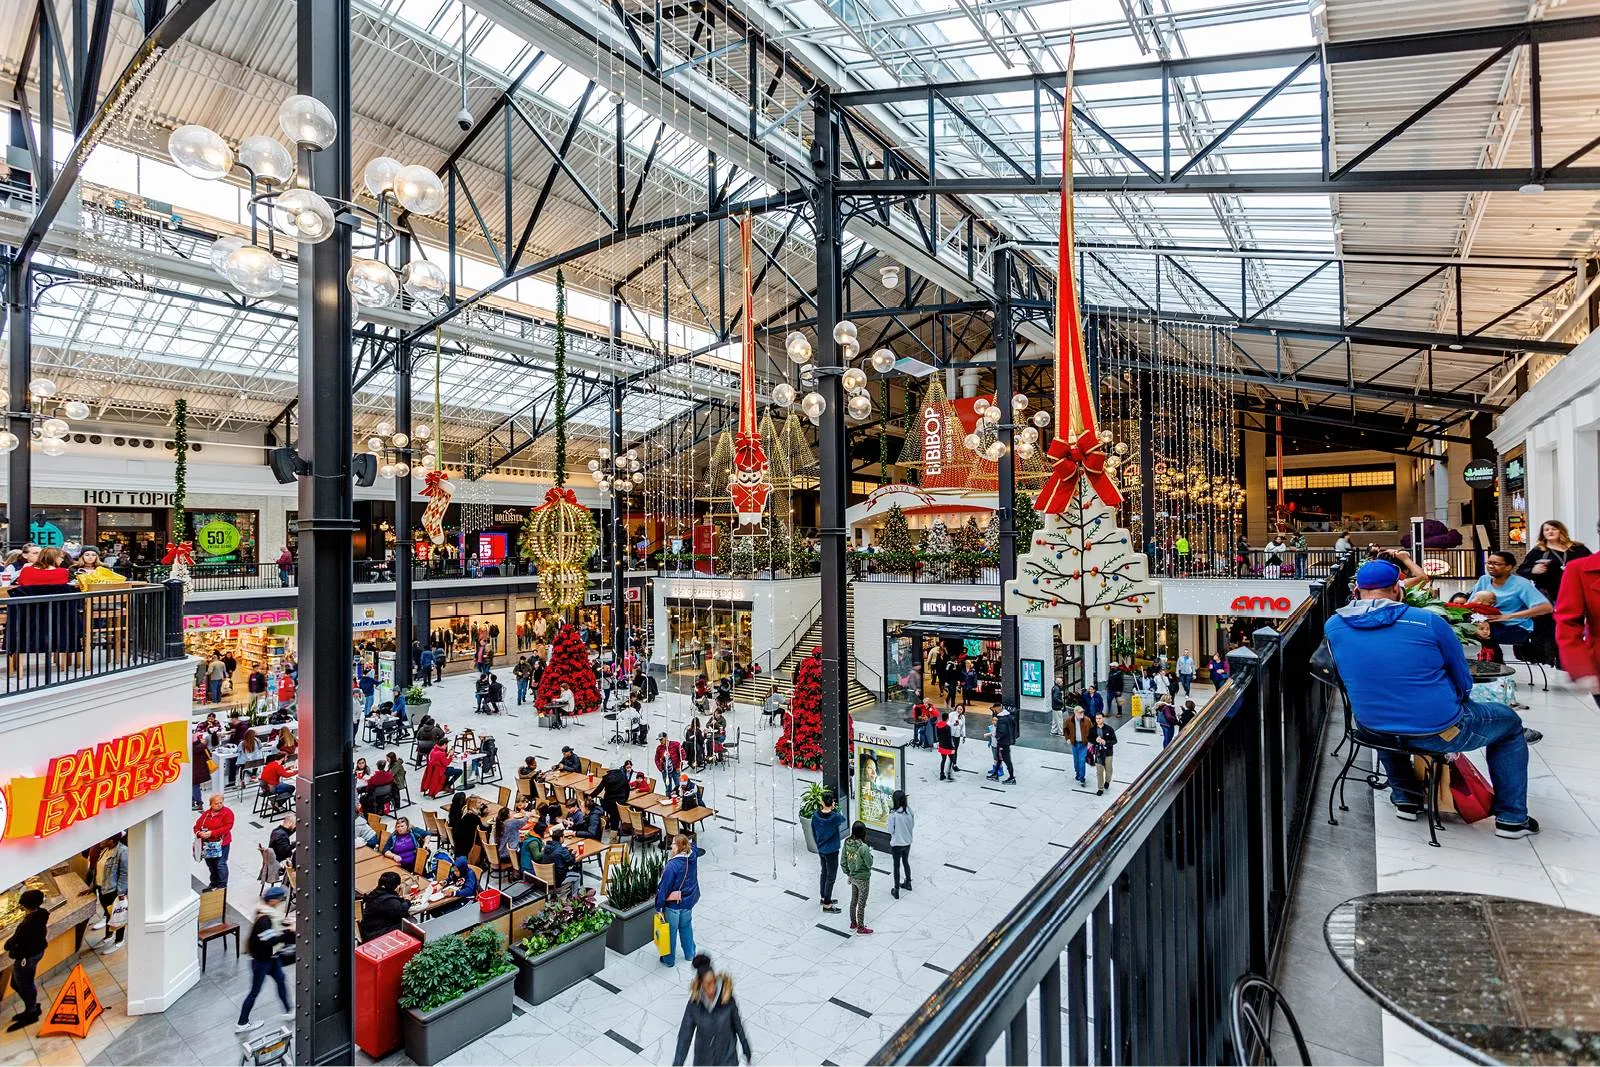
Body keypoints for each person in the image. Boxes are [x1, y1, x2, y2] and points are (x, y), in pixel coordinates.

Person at [1322, 558, 1539, 838]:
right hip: (1437, 731)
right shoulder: (1428, 621)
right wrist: (1456, 702)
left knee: (1383, 717)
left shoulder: (1334, 625)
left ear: (1356, 592)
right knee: (1509, 722)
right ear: (1398, 590)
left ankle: (1405, 797)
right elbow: (1462, 678)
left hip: (1370, 729)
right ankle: (1511, 818)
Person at [672, 954, 751, 1067]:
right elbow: (685, 1036)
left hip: (727, 1059)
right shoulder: (694, 1005)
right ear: (700, 985)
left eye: (714, 981)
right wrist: (678, 1063)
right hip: (704, 1060)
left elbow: (737, 1024)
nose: (713, 987)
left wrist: (745, 1046)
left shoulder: (727, 999)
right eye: (708, 984)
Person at [1474, 550, 1554, 660]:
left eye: (1496, 564)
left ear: (1508, 567)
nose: (1491, 566)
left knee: (1486, 634)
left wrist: (1508, 616)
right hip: (1487, 623)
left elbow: (1546, 608)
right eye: (1489, 563)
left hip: (1516, 627)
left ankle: (1496, 669)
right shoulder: (1484, 580)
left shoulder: (1521, 584)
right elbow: (1472, 603)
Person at [235, 886, 294, 1032]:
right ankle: (242, 1023)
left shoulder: (267, 913)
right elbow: (269, 940)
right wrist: (288, 932)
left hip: (270, 959)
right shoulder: (265, 919)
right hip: (261, 962)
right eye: (280, 899)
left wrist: (285, 926)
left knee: (281, 980)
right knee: (254, 991)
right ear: (273, 900)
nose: (281, 902)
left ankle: (289, 1011)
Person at [4, 889, 48, 1031]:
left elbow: (9, 944)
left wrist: (10, 944)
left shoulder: (26, 925)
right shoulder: (42, 914)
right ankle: (32, 1006)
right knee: (18, 984)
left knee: (24, 985)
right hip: (37, 952)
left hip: (26, 958)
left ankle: (31, 1012)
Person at [656, 832, 701, 966]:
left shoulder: (672, 866)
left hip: (674, 905)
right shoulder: (692, 855)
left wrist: (659, 907)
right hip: (689, 901)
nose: (671, 846)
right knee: (686, 926)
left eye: (674, 843)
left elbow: (664, 888)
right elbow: (694, 846)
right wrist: (685, 842)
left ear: (680, 847)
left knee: (670, 931)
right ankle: (690, 954)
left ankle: (669, 960)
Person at [91, 832, 129, 953]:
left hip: (113, 891)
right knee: (108, 915)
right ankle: (109, 936)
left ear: (113, 841)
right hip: (102, 889)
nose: (102, 841)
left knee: (118, 916)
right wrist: (93, 885)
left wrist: (120, 893)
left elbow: (124, 874)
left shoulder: (123, 852)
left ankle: (119, 940)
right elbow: (98, 869)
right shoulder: (104, 850)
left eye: (106, 839)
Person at [810, 790, 845, 914]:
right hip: (832, 850)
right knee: (831, 876)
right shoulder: (835, 817)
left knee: (823, 872)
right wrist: (835, 809)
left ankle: (824, 897)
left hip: (821, 849)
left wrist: (819, 844)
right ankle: (827, 904)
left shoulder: (815, 816)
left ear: (822, 802)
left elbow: (813, 831)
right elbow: (842, 818)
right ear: (832, 803)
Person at [841, 821, 874, 935]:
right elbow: (869, 863)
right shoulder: (863, 847)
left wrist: (848, 873)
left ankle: (853, 923)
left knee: (853, 900)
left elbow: (843, 861)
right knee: (861, 902)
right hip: (863, 878)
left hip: (852, 876)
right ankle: (860, 927)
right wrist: (871, 856)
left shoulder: (847, 842)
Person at [194, 793, 234, 888]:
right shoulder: (206, 814)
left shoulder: (227, 812)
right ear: (211, 804)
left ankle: (222, 885)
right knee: (211, 864)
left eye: (221, 802)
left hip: (222, 843)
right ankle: (214, 883)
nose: (219, 804)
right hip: (208, 845)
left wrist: (212, 833)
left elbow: (228, 827)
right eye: (216, 803)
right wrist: (200, 833)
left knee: (220, 864)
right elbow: (196, 827)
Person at [360, 871, 410, 941]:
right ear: (395, 886)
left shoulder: (375, 893)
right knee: (410, 922)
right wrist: (407, 901)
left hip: (368, 929)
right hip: (376, 934)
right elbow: (401, 911)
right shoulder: (388, 900)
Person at [593, 760, 633, 831]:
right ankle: (613, 835)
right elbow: (627, 789)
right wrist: (625, 799)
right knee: (616, 815)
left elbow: (599, 789)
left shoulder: (606, 778)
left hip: (607, 803)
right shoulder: (623, 777)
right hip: (619, 803)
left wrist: (590, 796)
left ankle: (608, 824)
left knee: (612, 812)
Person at [888, 790, 913, 899]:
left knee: (896, 866)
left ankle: (896, 890)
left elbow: (890, 830)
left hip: (897, 844)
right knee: (906, 861)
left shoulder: (894, 815)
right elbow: (912, 825)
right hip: (907, 842)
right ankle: (908, 882)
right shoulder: (909, 811)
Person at [448, 791, 487, 861]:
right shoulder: (473, 816)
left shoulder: (464, 811)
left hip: (458, 843)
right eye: (479, 803)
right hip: (467, 844)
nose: (481, 804)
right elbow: (482, 829)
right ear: (473, 804)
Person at [543, 828, 582, 895]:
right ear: (561, 838)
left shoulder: (546, 848)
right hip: (558, 880)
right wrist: (572, 854)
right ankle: (574, 898)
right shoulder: (561, 850)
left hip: (545, 878)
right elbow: (571, 862)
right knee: (577, 876)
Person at [987, 705, 1017, 784]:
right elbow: (1014, 725)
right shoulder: (1009, 716)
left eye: (994, 710)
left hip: (1003, 743)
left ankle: (1011, 778)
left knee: (1007, 760)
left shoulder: (1001, 719)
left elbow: (1001, 732)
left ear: (997, 709)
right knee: (999, 759)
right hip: (1007, 741)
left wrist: (997, 737)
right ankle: (995, 774)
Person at [1091, 711, 1117, 795]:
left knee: (1109, 770)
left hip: (1108, 752)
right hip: (1098, 752)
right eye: (1096, 718)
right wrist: (1095, 740)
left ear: (1103, 718)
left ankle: (1107, 781)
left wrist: (1105, 742)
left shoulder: (1109, 729)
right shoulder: (1093, 729)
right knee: (1099, 771)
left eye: (1099, 718)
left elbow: (1115, 740)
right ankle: (1100, 788)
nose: (1098, 720)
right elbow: (1089, 738)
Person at [1066, 703, 1092, 787]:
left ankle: (1082, 778)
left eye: (1082, 712)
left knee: (1082, 761)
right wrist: (1067, 738)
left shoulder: (1087, 720)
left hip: (1083, 744)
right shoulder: (1069, 720)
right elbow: (1065, 729)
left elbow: (1092, 730)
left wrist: (1091, 741)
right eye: (1080, 713)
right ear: (1075, 713)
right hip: (1074, 744)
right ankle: (1078, 773)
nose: (1082, 714)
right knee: (1076, 761)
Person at [934, 711, 956, 781]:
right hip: (948, 746)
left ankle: (942, 774)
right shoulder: (947, 727)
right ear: (947, 719)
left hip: (941, 745)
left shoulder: (937, 725)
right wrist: (952, 747)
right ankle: (949, 774)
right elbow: (949, 738)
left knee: (943, 760)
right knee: (951, 759)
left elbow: (937, 735)